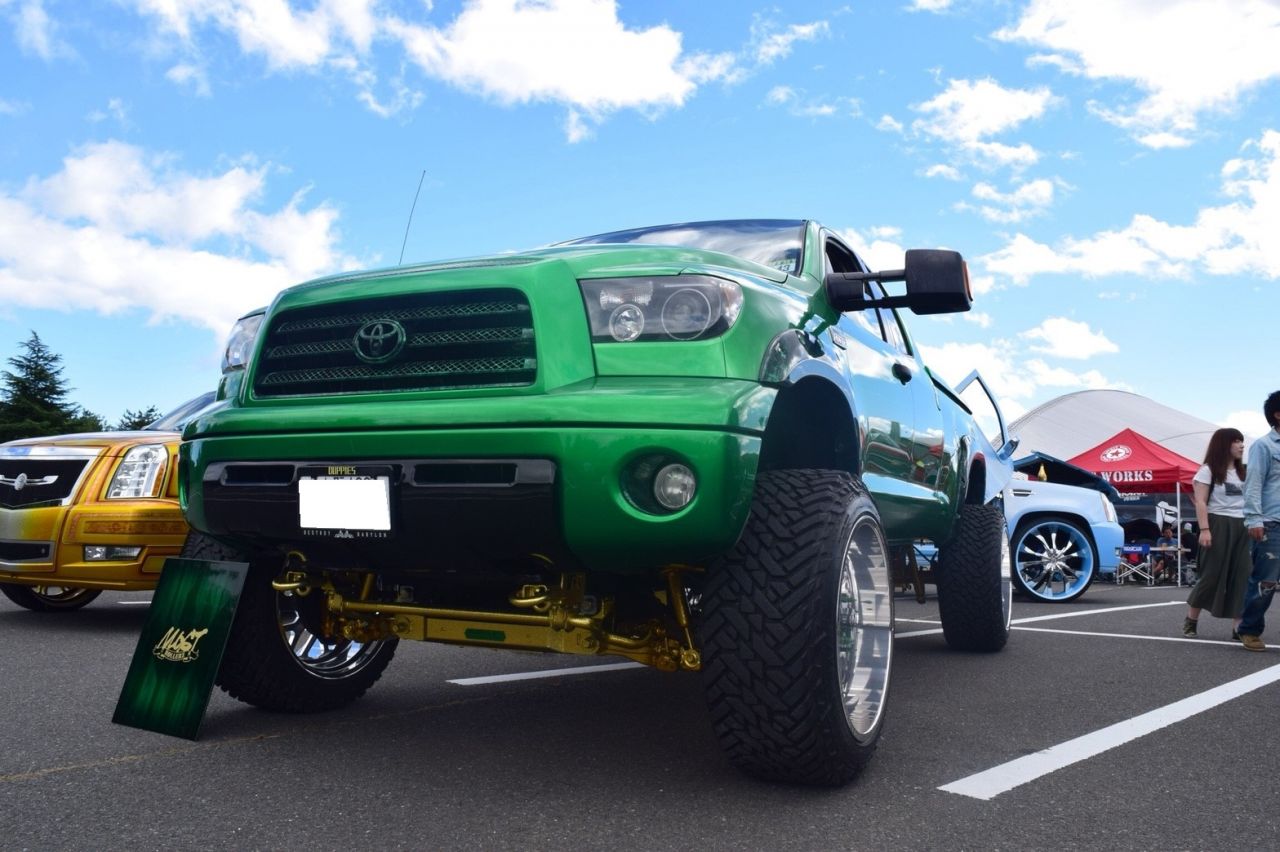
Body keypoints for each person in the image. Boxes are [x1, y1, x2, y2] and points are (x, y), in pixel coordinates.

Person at [1182, 428, 1250, 637]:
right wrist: (1204, 530)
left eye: (1242, 441)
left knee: (1243, 576)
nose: (1241, 445)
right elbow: (1200, 502)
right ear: (1223, 444)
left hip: (1244, 525)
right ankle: (1191, 621)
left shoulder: (1245, 471)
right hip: (1217, 523)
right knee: (1211, 575)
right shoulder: (1208, 470)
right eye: (1236, 441)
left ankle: (1238, 627)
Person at [1235, 391, 1280, 651]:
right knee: (1266, 581)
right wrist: (1254, 519)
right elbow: (1252, 485)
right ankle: (1249, 629)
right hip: (1271, 522)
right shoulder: (1264, 446)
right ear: (1277, 414)